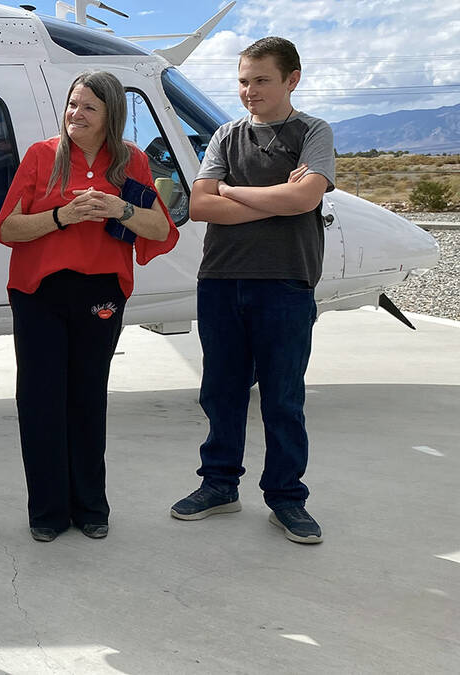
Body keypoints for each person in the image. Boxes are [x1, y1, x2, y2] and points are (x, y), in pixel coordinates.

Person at [0, 71, 178, 542]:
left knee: (87, 396)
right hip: (39, 295)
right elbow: (8, 229)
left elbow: (160, 229)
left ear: (111, 114)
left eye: (89, 107)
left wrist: (121, 210)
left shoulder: (130, 161)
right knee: (40, 399)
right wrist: (62, 216)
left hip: (101, 293)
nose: (76, 114)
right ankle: (48, 512)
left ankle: (91, 506)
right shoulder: (41, 156)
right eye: (73, 104)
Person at [170, 37, 335, 545]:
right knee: (220, 392)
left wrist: (233, 191)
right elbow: (199, 206)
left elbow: (306, 197)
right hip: (220, 280)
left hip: (286, 281)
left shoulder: (313, 132)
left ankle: (287, 498)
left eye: (261, 79)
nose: (249, 90)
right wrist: (278, 199)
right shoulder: (225, 134)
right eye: (243, 80)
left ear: (292, 78)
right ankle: (219, 484)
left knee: (283, 397)